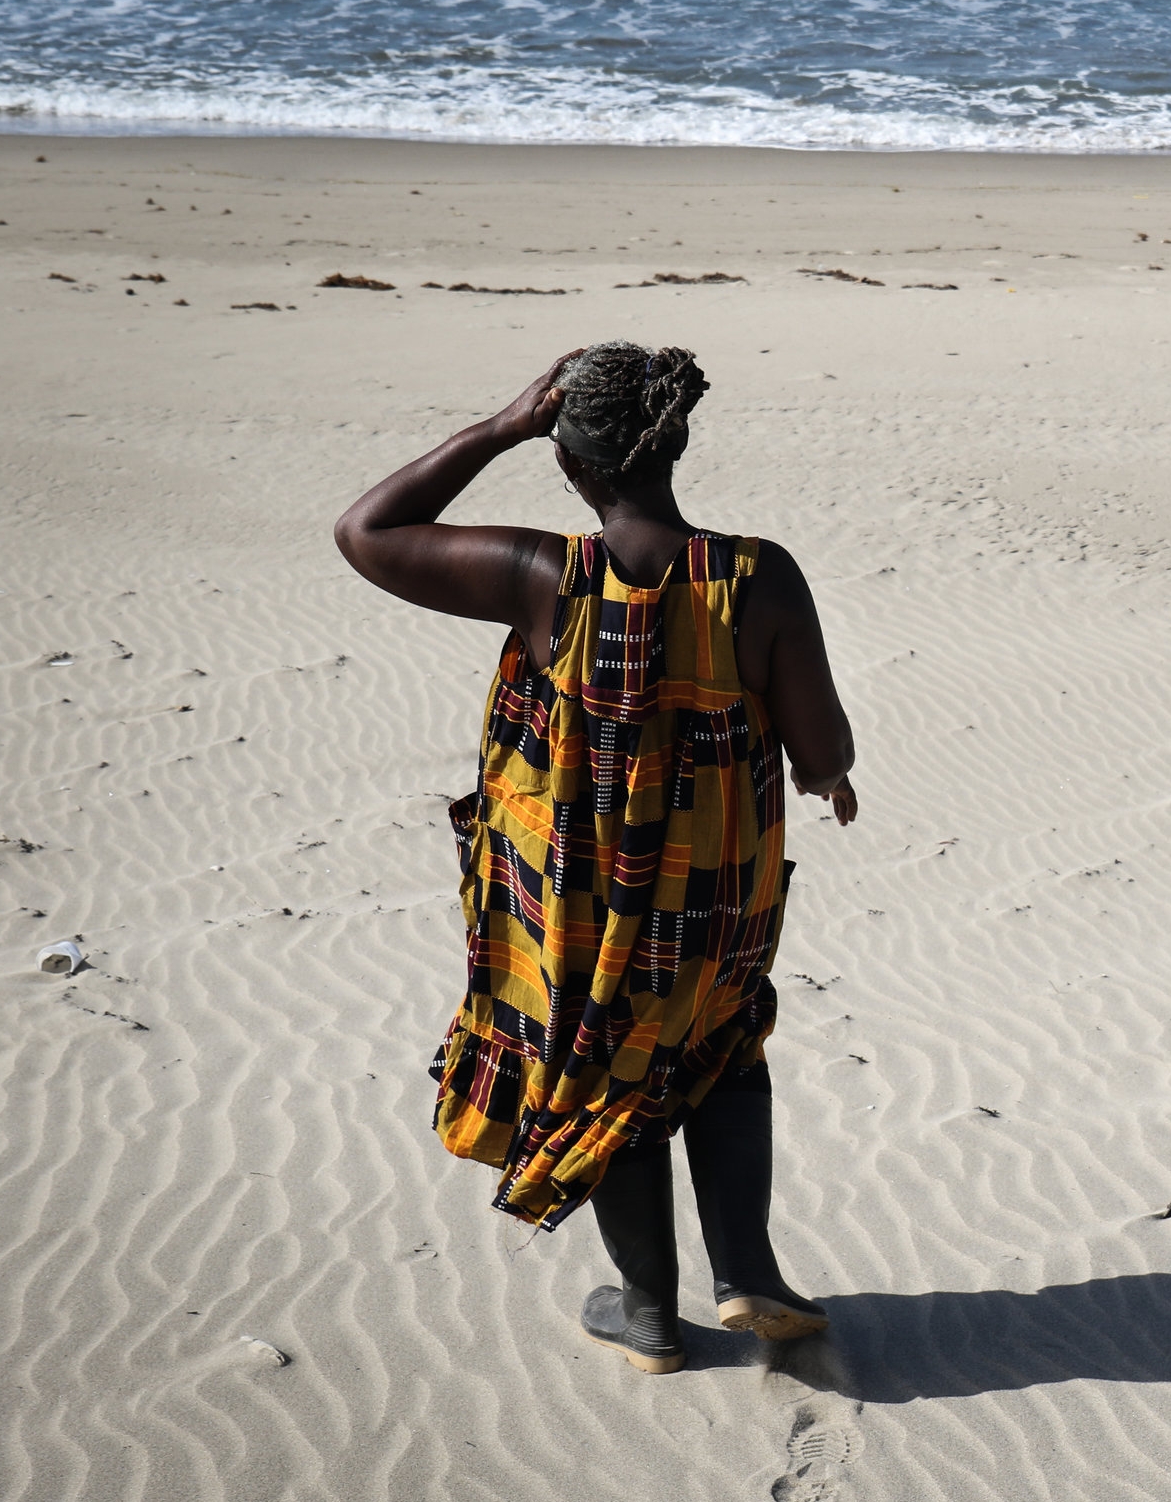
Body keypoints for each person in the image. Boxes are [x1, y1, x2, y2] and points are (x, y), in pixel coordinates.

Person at [335, 342, 858, 1375]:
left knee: (606, 1069)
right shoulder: (757, 577)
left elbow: (368, 530)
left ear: (568, 462)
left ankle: (650, 1314)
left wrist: (496, 427)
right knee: (724, 1038)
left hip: (573, 897)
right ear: (675, 447)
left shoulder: (544, 576)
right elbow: (823, 749)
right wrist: (826, 775)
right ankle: (745, 1264)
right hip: (716, 884)